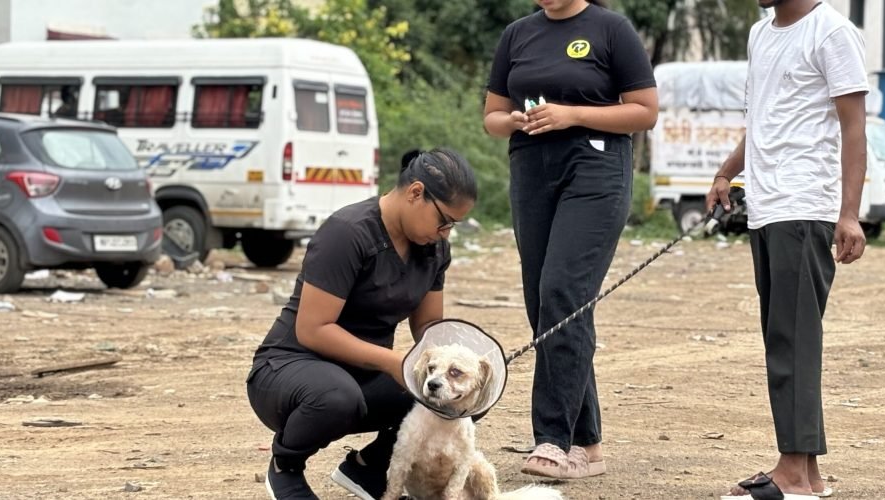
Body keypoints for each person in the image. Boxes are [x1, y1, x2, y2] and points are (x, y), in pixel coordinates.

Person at [483, 0, 657, 480]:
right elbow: (493, 117)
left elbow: (644, 112)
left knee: (564, 291)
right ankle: (588, 445)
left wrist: (572, 115)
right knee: (547, 305)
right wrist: (517, 121)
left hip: (596, 167)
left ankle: (553, 439)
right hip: (532, 168)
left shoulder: (610, 29)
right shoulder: (517, 34)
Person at [246, 149, 477, 500]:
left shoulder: (432, 249)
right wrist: (390, 362)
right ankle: (285, 467)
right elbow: (313, 329)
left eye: (452, 227)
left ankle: (368, 469)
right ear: (416, 193)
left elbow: (429, 325)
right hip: (291, 367)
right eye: (444, 221)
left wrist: (466, 366)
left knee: (461, 395)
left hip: (364, 373)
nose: (445, 233)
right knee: (338, 396)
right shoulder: (348, 232)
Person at [707, 1, 868, 498]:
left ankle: (792, 470)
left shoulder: (832, 32)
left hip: (806, 205)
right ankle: (807, 473)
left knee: (792, 340)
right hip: (767, 206)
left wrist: (848, 213)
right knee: (785, 336)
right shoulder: (761, 34)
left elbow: (854, 126)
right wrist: (727, 172)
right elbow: (764, 121)